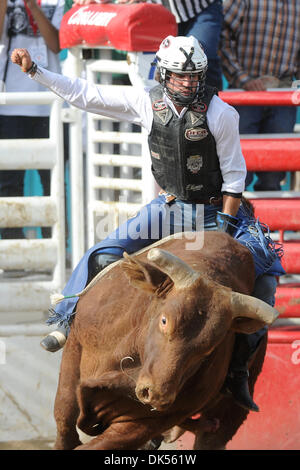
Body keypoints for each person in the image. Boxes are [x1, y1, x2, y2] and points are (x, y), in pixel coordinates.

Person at [12, 35, 285, 412]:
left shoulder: (222, 113)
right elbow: (87, 94)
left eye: (195, 77)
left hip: (219, 211)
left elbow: (235, 178)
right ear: (165, 74)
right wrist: (38, 72)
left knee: (266, 282)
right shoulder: (146, 101)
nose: (188, 84)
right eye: (180, 77)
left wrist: (221, 233)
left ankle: (237, 371)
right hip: (170, 206)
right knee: (103, 253)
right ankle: (65, 318)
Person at [0, 0, 64, 241]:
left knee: (54, 183)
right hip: (10, 103)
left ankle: (55, 248)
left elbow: (57, 45)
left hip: (51, 105)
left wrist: (34, 7)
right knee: (9, 183)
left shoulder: (56, 1)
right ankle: (13, 249)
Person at [220, 0, 300, 191]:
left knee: (274, 172)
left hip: (282, 93)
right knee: (238, 171)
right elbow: (221, 35)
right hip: (244, 94)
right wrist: (242, 78)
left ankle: (269, 220)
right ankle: (235, 220)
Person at [70, 0, 223, 90]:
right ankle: (166, 131)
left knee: (200, 59)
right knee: (154, 72)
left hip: (198, 7)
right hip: (151, 10)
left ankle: (212, 124)